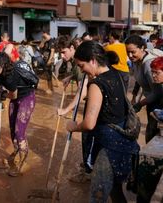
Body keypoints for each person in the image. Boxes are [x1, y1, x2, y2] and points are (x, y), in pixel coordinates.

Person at [66, 41, 139, 202]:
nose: (81, 70)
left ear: (93, 60)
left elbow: (89, 123)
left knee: (98, 194)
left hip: (109, 146)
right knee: (115, 190)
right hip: (124, 141)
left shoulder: (96, 84)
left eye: (81, 65)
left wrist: (73, 127)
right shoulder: (115, 73)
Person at [0, 52, 36, 177]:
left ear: (2, 65)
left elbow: (12, 94)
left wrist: (2, 95)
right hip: (15, 99)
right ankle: (17, 154)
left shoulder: (10, 76)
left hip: (26, 98)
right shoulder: (0, 72)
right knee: (13, 131)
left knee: (20, 133)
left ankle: (23, 163)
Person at [56, 36, 91, 183]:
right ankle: (87, 167)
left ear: (72, 48)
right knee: (87, 136)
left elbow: (82, 92)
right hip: (92, 100)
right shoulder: (76, 62)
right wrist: (70, 77)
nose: (62, 56)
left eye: (64, 52)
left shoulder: (78, 63)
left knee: (88, 136)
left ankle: (88, 172)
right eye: (60, 53)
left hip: (94, 101)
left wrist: (65, 109)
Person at [125, 35, 163, 143]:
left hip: (160, 104)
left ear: (142, 48)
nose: (130, 55)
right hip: (151, 101)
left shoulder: (148, 64)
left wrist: (139, 104)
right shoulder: (136, 61)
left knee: (154, 135)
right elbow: (139, 80)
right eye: (127, 52)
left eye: (133, 52)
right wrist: (134, 96)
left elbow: (157, 93)